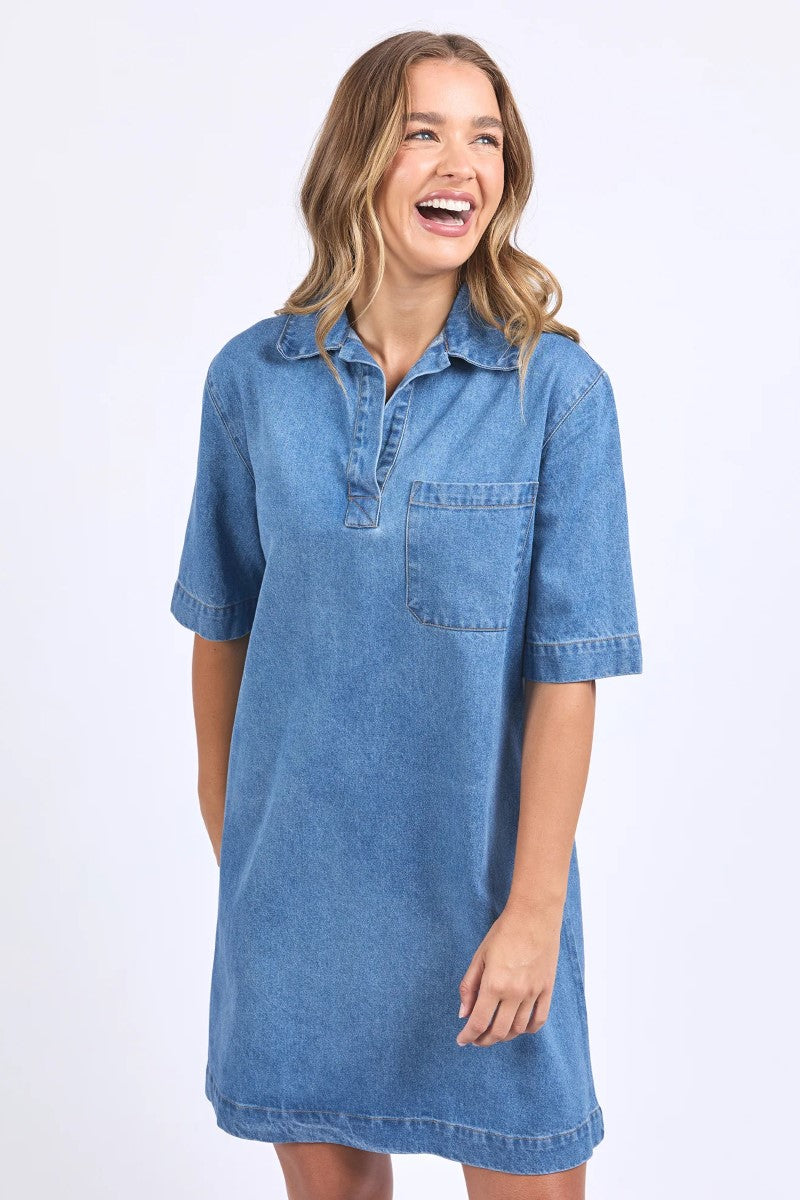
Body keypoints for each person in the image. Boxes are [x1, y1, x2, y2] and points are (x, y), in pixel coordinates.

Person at [169, 29, 643, 1200]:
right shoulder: (250, 384)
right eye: (423, 132)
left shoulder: (556, 396)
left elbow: (566, 673)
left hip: (484, 902)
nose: (460, 164)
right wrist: (238, 849)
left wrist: (534, 912)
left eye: (484, 138)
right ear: (359, 162)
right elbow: (219, 629)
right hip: (296, 908)